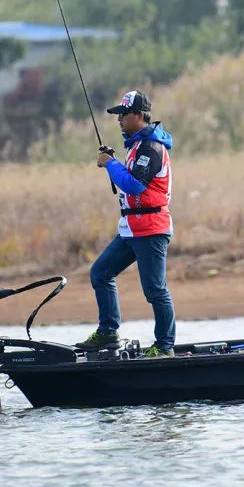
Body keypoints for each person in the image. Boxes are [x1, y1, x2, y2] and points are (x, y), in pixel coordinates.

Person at [75, 90, 176, 357]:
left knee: (155, 290)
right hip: (131, 229)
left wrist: (110, 164)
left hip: (151, 229)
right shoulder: (134, 146)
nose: (118, 119)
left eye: (122, 114)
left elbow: (134, 184)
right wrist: (115, 162)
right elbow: (129, 178)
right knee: (100, 273)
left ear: (138, 116)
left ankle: (165, 347)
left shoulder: (152, 148)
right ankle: (108, 333)